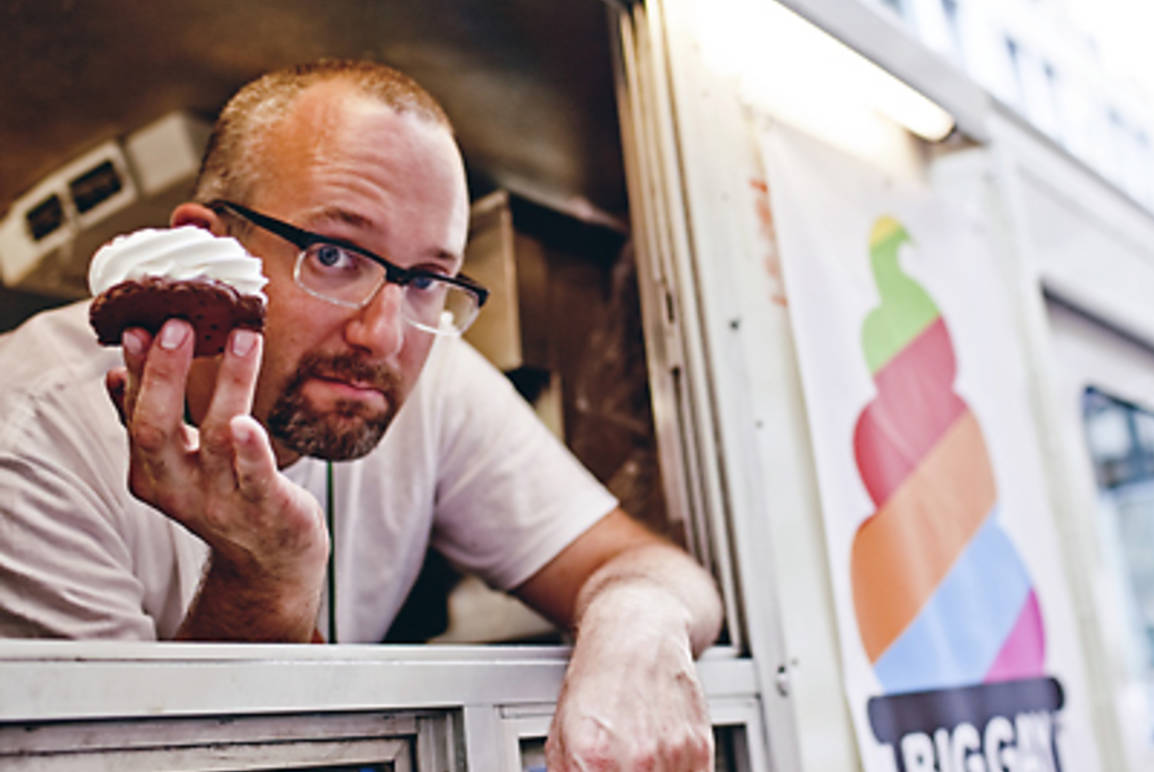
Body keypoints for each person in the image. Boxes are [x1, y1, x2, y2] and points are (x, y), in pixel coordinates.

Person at [0, 59, 721, 771]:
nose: (383, 334)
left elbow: (652, 569)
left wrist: (636, 624)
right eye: (333, 254)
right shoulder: (26, 436)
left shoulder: (432, 374)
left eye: (428, 280)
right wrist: (264, 581)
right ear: (207, 252)